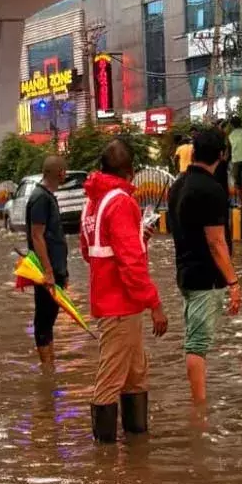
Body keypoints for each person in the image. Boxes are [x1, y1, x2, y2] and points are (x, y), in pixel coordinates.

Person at [79, 138, 168, 443]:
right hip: (121, 307)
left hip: (112, 302)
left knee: (135, 374)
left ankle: (136, 447)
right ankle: (104, 461)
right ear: (130, 171)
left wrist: (138, 235)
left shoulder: (93, 202)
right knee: (111, 379)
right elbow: (130, 262)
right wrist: (155, 304)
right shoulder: (121, 202)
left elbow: (90, 251)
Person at [168, 128, 242, 404]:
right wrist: (234, 283)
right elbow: (216, 243)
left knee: (194, 340)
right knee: (197, 345)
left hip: (185, 274)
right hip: (205, 278)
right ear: (222, 155)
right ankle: (199, 410)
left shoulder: (178, 185)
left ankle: (198, 401)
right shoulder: (211, 190)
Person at [27, 155, 70, 367]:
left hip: (56, 269)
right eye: (64, 171)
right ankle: (47, 368)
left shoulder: (47, 196)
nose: (66, 174)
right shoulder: (40, 198)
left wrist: (63, 272)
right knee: (44, 319)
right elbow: (37, 236)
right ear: (59, 172)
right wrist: (49, 272)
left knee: (50, 318)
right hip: (47, 272)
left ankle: (50, 362)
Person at [227, 115, 242, 210]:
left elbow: (229, 149)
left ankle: (240, 203)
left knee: (237, 182)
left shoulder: (230, 136)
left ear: (232, 125)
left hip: (235, 160)